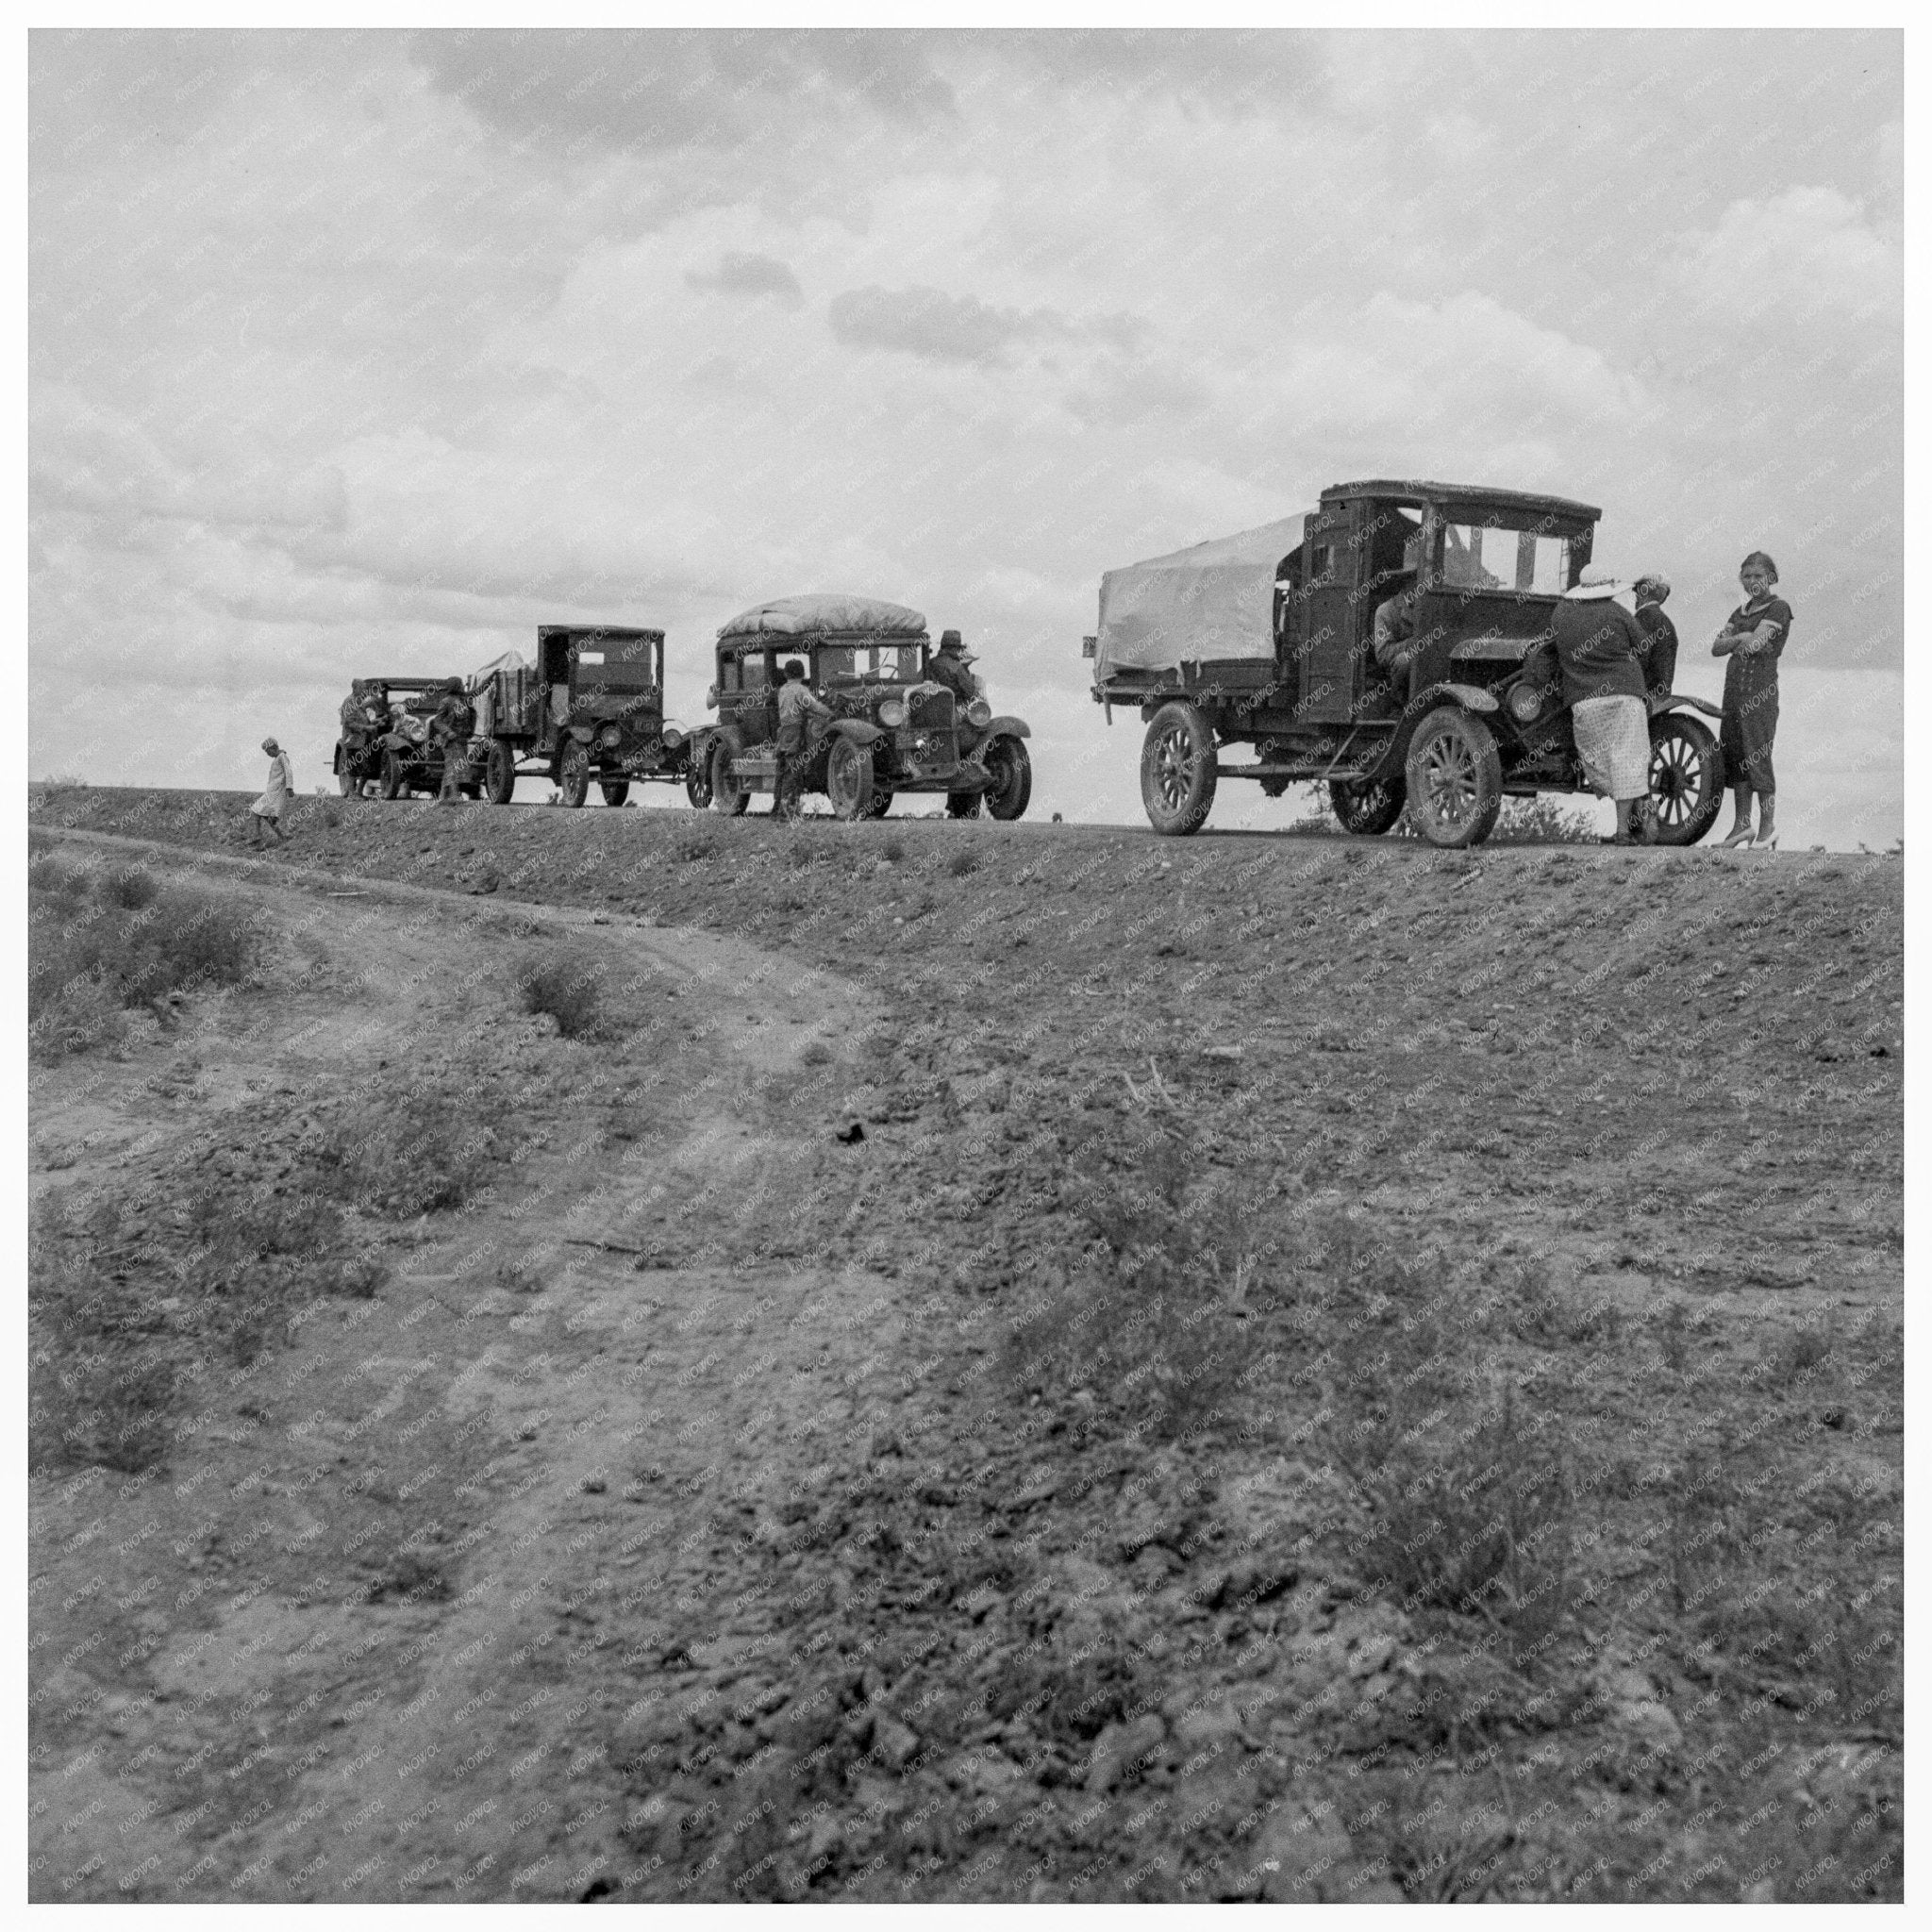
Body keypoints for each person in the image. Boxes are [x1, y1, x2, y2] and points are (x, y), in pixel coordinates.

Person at [1551, 577, 1656, 844]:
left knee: (1599, 762)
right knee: (1628, 759)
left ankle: (1629, 818)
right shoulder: (1617, 612)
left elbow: (1554, 651)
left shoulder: (1561, 613)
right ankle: (1624, 828)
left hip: (1586, 700)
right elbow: (1644, 647)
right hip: (1626, 694)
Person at [1712, 551, 1790, 850]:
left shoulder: (1780, 607)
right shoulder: (1738, 612)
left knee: (1758, 756)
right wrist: (1742, 638)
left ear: (1771, 577)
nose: (1752, 581)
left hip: (1761, 693)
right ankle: (1741, 825)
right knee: (1735, 756)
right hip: (1733, 693)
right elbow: (1717, 647)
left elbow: (1758, 643)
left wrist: (1741, 638)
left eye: (1758, 575)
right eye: (1747, 576)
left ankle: (1767, 827)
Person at [774, 659, 832, 818]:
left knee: (782, 770)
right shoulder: (801, 690)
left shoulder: (783, 690)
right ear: (803, 673)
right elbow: (814, 707)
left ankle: (777, 808)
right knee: (794, 770)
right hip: (795, 732)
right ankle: (788, 810)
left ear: (786, 674)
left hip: (783, 731)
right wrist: (830, 713)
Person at [1631, 575, 1678, 704]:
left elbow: (1638, 657)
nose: (1635, 595)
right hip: (1661, 696)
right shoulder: (1666, 621)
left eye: (1637, 591)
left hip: (1643, 695)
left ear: (1644, 592)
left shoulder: (1644, 617)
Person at [431, 675, 475, 806]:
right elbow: (437, 721)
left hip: (461, 739)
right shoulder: (446, 701)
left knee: (451, 766)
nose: (462, 686)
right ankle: (455, 796)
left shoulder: (462, 700)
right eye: (460, 684)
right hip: (449, 740)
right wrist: (447, 732)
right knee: (454, 766)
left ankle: (442, 797)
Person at [248, 738, 294, 847]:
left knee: (256, 811)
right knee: (267, 817)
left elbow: (288, 771)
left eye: (268, 751)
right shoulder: (277, 759)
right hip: (272, 793)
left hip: (275, 794)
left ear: (273, 748)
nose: (268, 754)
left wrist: (289, 787)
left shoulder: (282, 757)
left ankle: (257, 838)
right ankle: (283, 837)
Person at [928, 629, 981, 703]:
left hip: (930, 706)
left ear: (941, 647)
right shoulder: (956, 667)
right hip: (952, 708)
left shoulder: (930, 663)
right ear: (955, 649)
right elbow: (970, 691)